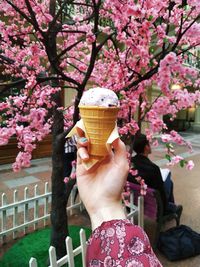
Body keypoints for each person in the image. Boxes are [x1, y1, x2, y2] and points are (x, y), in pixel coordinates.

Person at [76, 135, 163, 266]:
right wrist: (104, 204)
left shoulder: (133, 163)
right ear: (146, 146)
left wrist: (103, 205)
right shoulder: (153, 168)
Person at [128, 133, 182, 216]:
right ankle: (170, 209)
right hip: (153, 205)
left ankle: (171, 206)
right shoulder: (153, 168)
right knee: (169, 181)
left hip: (135, 200)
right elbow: (161, 191)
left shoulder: (129, 163)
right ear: (146, 147)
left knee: (168, 180)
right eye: (149, 144)